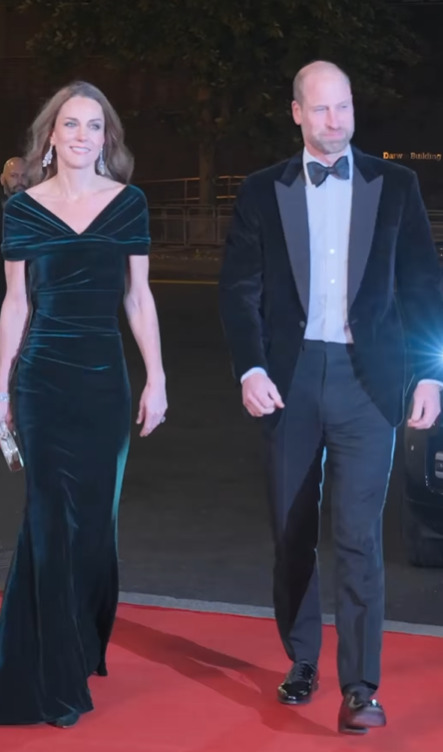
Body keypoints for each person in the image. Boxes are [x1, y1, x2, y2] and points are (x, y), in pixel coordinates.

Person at [219, 60, 443, 735]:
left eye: (343, 106)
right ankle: (301, 658)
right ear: (296, 113)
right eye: (320, 108)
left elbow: (420, 283)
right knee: (292, 532)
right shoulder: (263, 191)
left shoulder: (395, 185)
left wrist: (429, 375)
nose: (335, 120)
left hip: (367, 380)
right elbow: (239, 290)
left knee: (356, 536)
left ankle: (360, 686)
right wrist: (249, 368)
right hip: (288, 380)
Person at [0, 81, 167, 727]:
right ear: (51, 135)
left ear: (106, 138)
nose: (81, 136)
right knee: (48, 520)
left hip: (103, 384)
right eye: (70, 124)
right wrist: (1, 386)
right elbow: (16, 304)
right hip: (41, 382)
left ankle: (70, 645)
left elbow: (138, 297)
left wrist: (156, 378)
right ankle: (52, 677)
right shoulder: (23, 208)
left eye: (94, 126)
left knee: (93, 528)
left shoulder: (128, 204)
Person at [0, 157, 29, 301]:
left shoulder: (39, 212)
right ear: (2, 179)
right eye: (13, 176)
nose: (19, 181)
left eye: (24, 176)